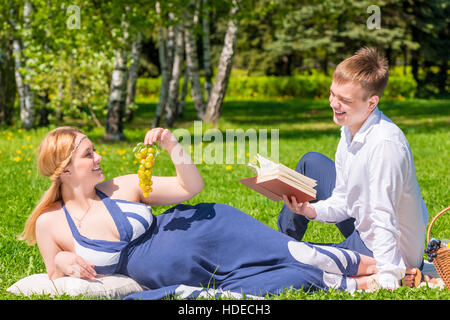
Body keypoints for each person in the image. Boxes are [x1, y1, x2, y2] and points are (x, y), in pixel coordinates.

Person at [20, 126, 382, 299]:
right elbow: (54, 273)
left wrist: (173, 146)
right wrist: (66, 264)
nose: (99, 157)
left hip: (213, 230)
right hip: (194, 276)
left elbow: (190, 189)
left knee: (301, 253)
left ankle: (385, 268)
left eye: (95, 149)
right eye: (88, 154)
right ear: (64, 169)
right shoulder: (51, 223)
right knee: (279, 281)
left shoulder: (122, 186)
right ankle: (366, 282)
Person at [278, 47, 429, 289]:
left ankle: (281, 249)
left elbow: (384, 216)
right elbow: (344, 200)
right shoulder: (350, 129)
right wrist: (309, 210)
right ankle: (281, 241)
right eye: (332, 94)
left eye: (345, 100)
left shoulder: (385, 146)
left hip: (386, 248)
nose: (334, 104)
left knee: (295, 261)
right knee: (312, 161)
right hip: (364, 226)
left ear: (372, 102)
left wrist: (389, 276)